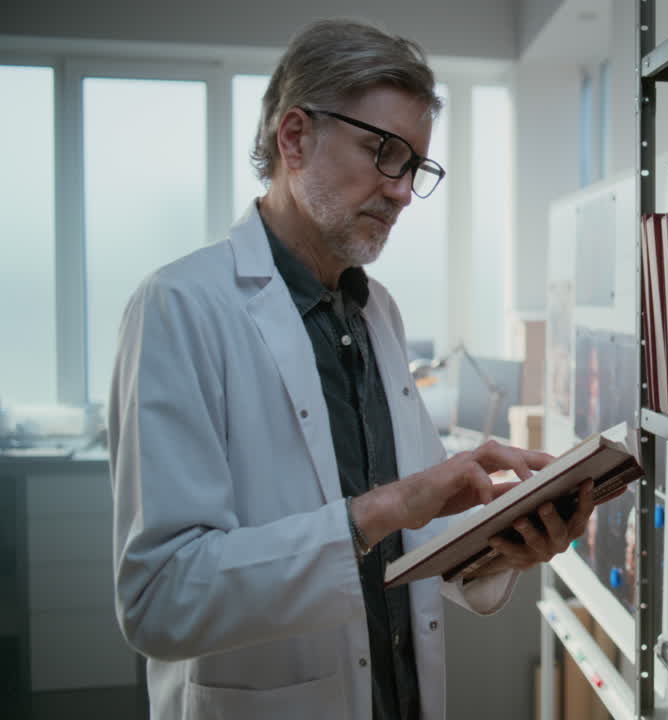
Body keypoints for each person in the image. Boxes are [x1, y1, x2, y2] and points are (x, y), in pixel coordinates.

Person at [108, 19, 594, 720]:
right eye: (382, 152)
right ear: (295, 137)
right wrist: (385, 508)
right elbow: (159, 600)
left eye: (416, 166)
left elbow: (416, 546)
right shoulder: (179, 309)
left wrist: (507, 541)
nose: (401, 191)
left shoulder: (376, 314)